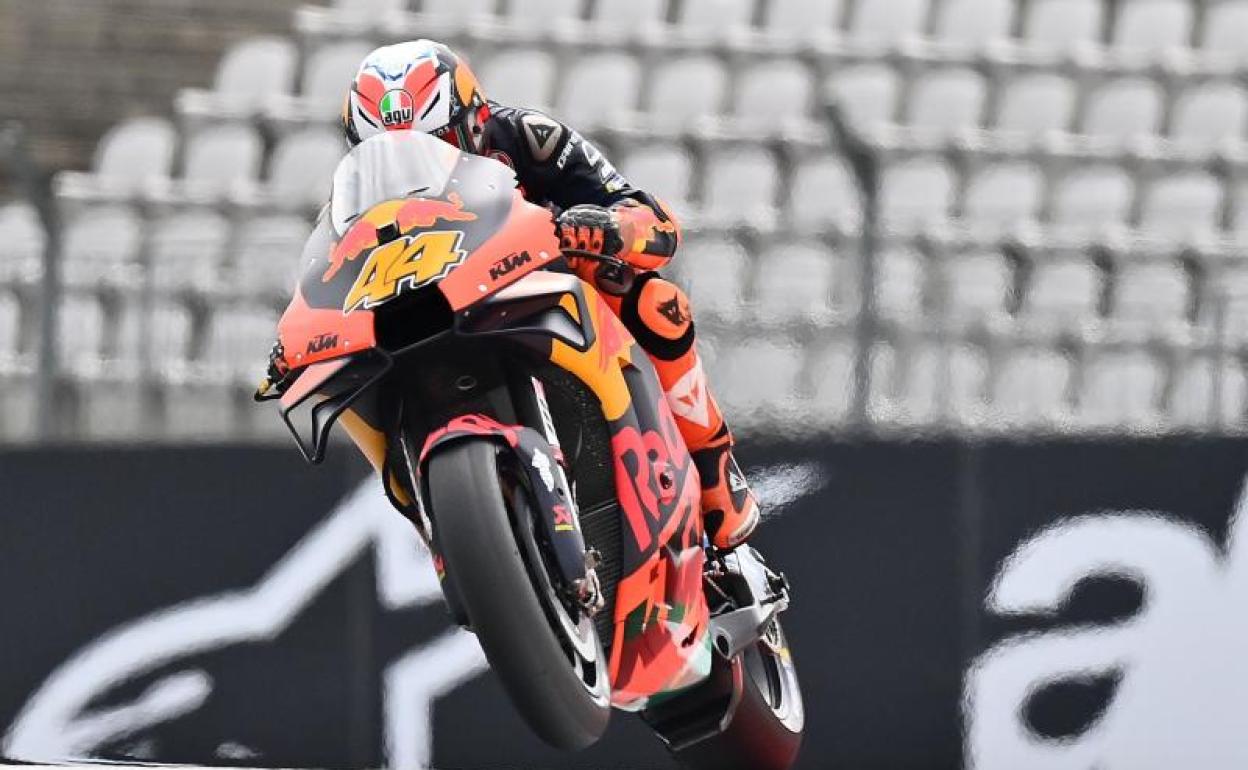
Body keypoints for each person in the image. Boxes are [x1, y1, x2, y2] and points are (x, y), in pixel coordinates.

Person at [334, 39, 759, 549]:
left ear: (475, 121)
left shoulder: (529, 137)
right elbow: (329, 281)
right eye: (388, 157)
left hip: (539, 285)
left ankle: (714, 469)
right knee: (344, 378)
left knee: (654, 304)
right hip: (431, 319)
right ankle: (431, 523)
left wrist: (608, 228)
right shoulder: (352, 204)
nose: (414, 171)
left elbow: (658, 226)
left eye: (437, 144)